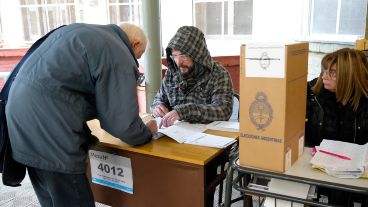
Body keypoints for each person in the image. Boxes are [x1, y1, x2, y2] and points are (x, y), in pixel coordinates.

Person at [6, 23, 157, 206]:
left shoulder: (84, 32)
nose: (136, 61)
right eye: (138, 57)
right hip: (50, 128)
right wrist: (147, 133)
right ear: (134, 43)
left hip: (19, 117)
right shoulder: (118, 51)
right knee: (73, 197)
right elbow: (122, 123)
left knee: (51, 195)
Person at [305, 48, 368, 206]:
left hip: (356, 175)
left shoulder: (364, 102)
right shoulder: (312, 93)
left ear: (350, 75)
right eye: (324, 70)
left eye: (332, 72)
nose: (324, 76)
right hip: (317, 169)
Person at [151, 26, 234, 128]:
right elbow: (158, 99)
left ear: (198, 55)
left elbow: (223, 110)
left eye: (184, 56)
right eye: (175, 56)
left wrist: (185, 111)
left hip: (208, 138)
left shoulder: (218, 73)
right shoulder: (171, 73)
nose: (178, 62)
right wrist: (158, 107)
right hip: (175, 135)